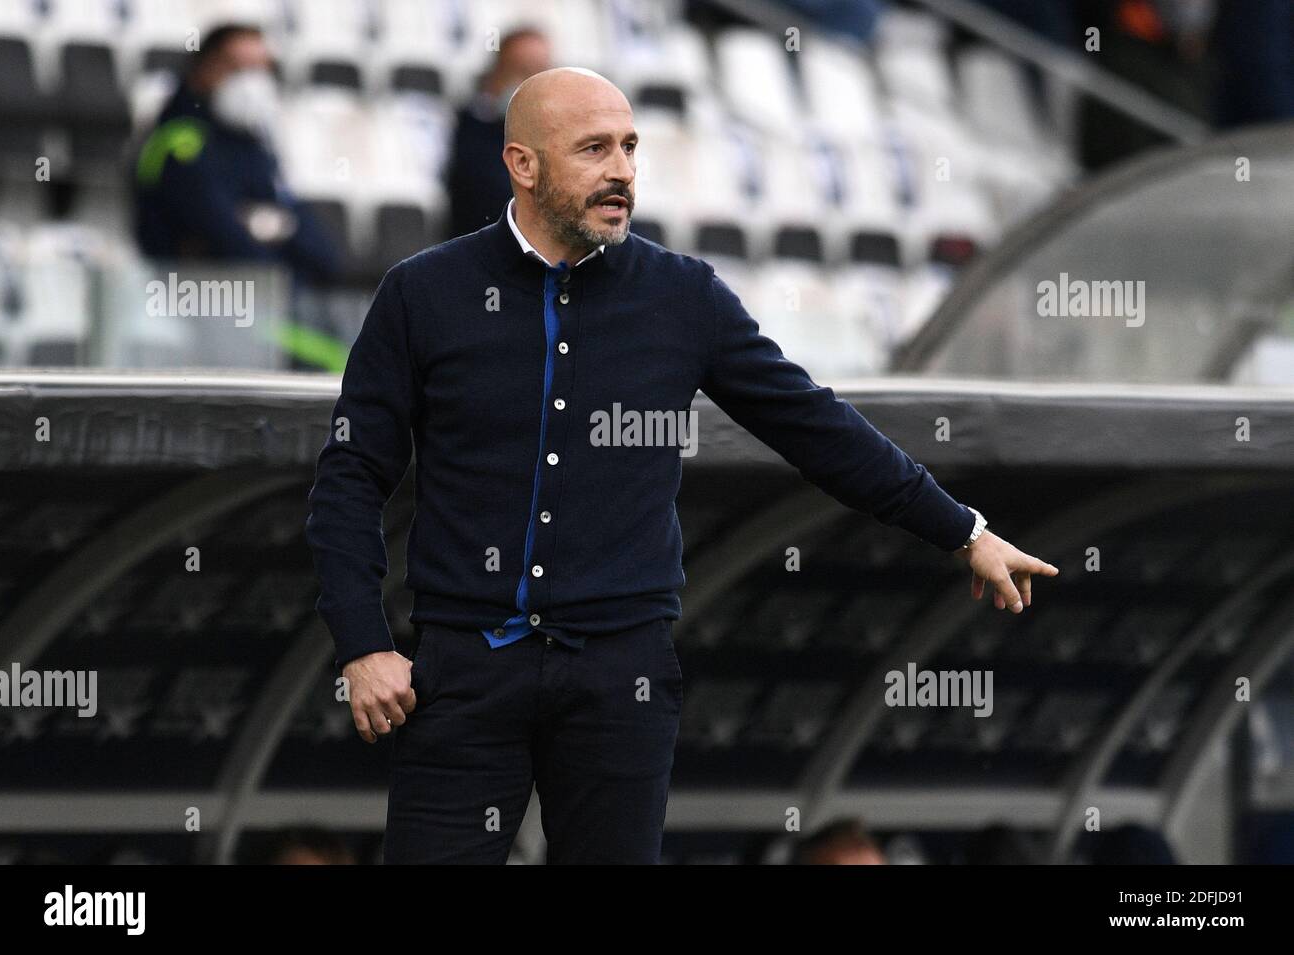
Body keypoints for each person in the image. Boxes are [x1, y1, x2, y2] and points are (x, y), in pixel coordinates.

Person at [304, 67, 1059, 864]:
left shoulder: (683, 297)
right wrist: (362, 643)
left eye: (630, 148)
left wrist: (963, 531)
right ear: (523, 165)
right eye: (594, 149)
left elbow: (815, 426)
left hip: (620, 676)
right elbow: (350, 478)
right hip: (463, 666)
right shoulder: (424, 293)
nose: (622, 170)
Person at [132, 23, 341, 285]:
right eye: (239, 68)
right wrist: (272, 230)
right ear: (204, 71)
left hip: (258, 303)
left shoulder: (254, 144)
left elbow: (322, 254)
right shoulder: (180, 144)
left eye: (262, 69)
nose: (254, 82)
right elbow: (226, 242)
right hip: (190, 301)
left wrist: (269, 225)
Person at [444, 26, 552, 238]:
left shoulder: (554, 131)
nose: (532, 81)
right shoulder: (467, 125)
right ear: (498, 71)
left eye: (541, 71)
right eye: (522, 69)